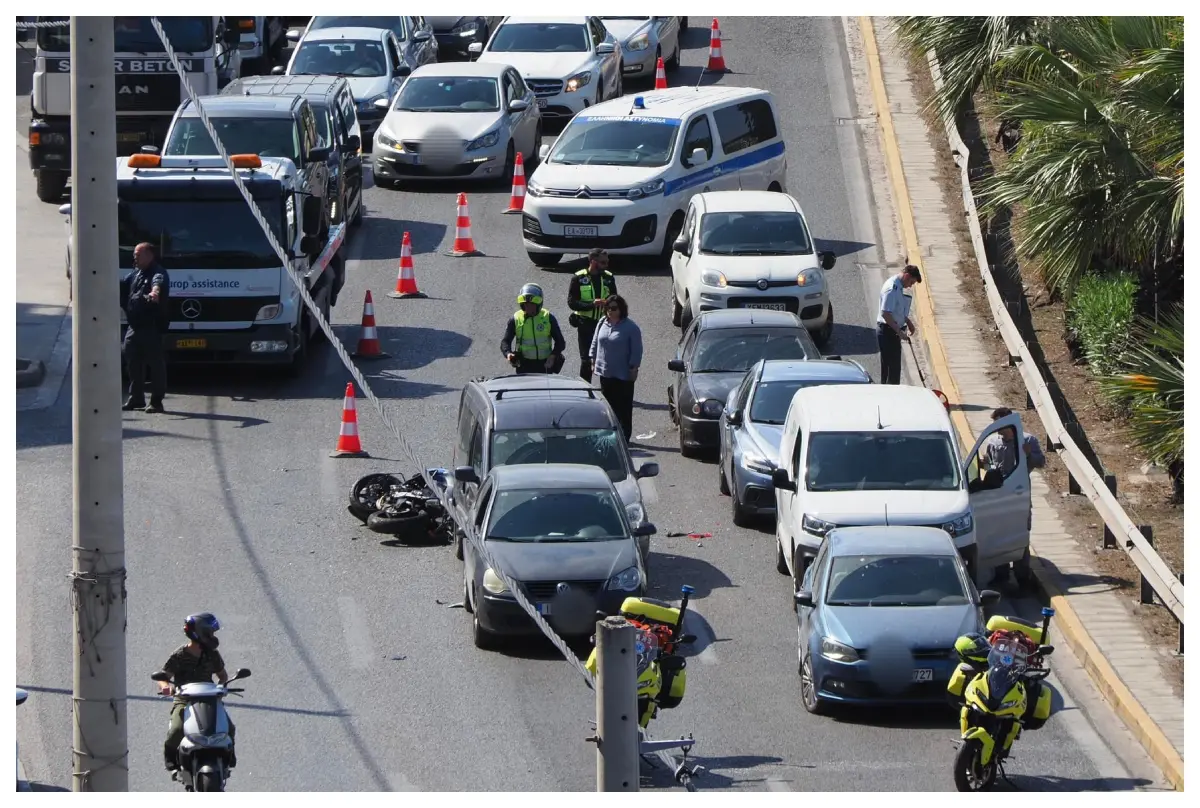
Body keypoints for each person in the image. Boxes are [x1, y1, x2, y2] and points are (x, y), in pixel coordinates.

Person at [158, 613, 235, 774]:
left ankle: (229, 756)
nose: (213, 637)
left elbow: (222, 675)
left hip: (209, 698)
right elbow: (164, 677)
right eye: (211, 633)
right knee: (176, 730)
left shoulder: (212, 654)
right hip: (184, 699)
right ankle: (170, 758)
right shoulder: (180, 655)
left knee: (229, 727)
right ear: (201, 633)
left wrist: (222, 688)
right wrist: (166, 687)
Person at [123, 242, 171, 413]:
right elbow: (122, 285)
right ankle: (136, 398)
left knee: (155, 364)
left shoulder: (158, 273)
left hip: (151, 327)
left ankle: (156, 402)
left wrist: (155, 293)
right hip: (134, 326)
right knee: (132, 361)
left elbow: (157, 284)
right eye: (135, 254)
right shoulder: (136, 273)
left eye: (138, 254)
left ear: (150, 255)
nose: (135, 257)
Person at [590, 294, 643, 442]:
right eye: (607, 308)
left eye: (613, 308)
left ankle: (625, 437)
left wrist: (634, 368)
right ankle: (610, 435)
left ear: (621, 309)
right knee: (608, 407)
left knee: (623, 408)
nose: (610, 311)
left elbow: (637, 350)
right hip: (606, 373)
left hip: (624, 374)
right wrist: (593, 360)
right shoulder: (602, 322)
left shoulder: (631, 328)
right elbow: (595, 342)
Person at [566, 247, 617, 382]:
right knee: (586, 360)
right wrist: (591, 304)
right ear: (593, 262)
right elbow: (572, 303)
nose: (606, 265)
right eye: (603, 262)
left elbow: (615, 299)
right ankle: (585, 388)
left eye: (607, 262)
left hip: (604, 324)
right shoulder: (579, 278)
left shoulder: (609, 277)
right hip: (585, 323)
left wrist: (609, 304)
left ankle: (606, 390)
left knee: (604, 358)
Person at [501, 282, 566, 375]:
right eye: (525, 305)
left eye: (532, 305)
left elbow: (561, 343)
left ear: (539, 305)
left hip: (545, 365)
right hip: (524, 366)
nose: (528, 308)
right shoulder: (515, 319)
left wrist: (553, 356)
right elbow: (505, 342)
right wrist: (508, 354)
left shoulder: (548, 318)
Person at [876, 265, 921, 385]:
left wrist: (908, 321)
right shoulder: (892, 288)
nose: (910, 285)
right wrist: (899, 331)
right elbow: (885, 313)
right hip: (888, 332)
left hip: (892, 331)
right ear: (906, 276)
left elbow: (896, 310)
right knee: (891, 370)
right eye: (911, 282)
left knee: (894, 369)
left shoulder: (898, 286)